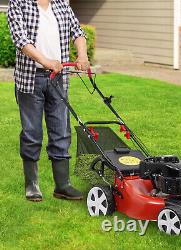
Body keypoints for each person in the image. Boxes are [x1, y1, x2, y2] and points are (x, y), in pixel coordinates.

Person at [7, 0, 89, 202]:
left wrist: (82, 55)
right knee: (32, 132)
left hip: (58, 78)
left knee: (61, 131)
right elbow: (20, 39)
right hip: (30, 78)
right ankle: (32, 185)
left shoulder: (61, 5)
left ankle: (62, 186)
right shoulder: (19, 3)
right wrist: (45, 61)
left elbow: (77, 32)